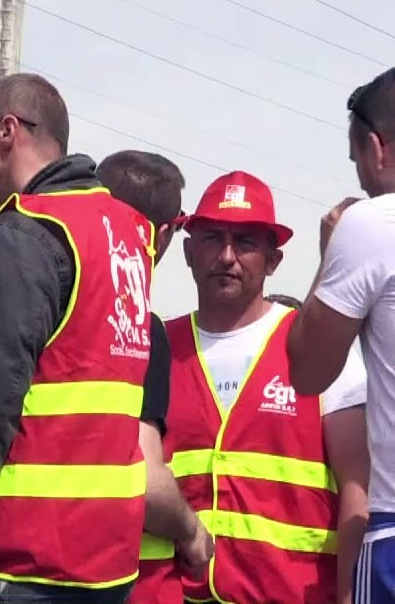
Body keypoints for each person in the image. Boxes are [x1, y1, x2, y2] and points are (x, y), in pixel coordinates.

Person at [0, 74, 156, 604]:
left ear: (6, 131)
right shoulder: (126, 234)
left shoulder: (24, 235)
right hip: (103, 568)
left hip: (13, 565)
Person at [168, 170, 368, 604]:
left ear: (274, 261)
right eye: (211, 238)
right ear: (187, 252)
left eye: (245, 243)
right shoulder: (159, 348)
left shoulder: (317, 347)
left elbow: (359, 486)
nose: (226, 256)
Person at [287, 67, 395, 604]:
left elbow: (307, 370)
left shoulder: (373, 223)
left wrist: (331, 253)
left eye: (358, 163)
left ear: (376, 148)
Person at [96, 150, 215, 604]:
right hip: (106, 578)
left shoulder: (32, 284)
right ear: (164, 234)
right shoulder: (141, 328)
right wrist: (190, 533)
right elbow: (145, 475)